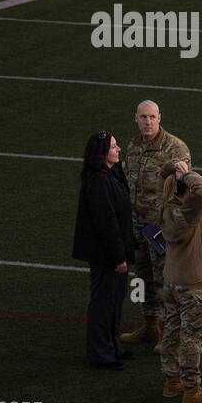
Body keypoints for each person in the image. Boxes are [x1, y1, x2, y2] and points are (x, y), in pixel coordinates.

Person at [122, 100, 190, 352]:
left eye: (152, 117)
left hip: (160, 227)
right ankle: (150, 325)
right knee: (144, 276)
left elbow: (184, 188)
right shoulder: (133, 146)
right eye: (143, 117)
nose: (147, 122)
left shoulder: (175, 148)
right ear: (135, 118)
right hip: (137, 224)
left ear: (160, 117)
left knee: (165, 279)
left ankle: (169, 333)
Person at [72, 131, 136, 369]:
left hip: (113, 253)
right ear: (102, 154)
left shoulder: (110, 174)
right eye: (114, 147)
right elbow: (106, 222)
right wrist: (119, 256)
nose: (118, 149)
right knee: (103, 303)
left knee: (115, 300)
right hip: (106, 255)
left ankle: (113, 347)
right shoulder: (98, 181)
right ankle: (101, 355)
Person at [157, 159, 202, 403]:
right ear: (186, 192)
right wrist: (188, 174)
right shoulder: (187, 212)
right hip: (192, 284)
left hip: (172, 281)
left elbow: (162, 176)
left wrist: (173, 169)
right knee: (191, 337)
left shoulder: (166, 207)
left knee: (171, 330)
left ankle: (171, 381)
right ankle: (192, 390)